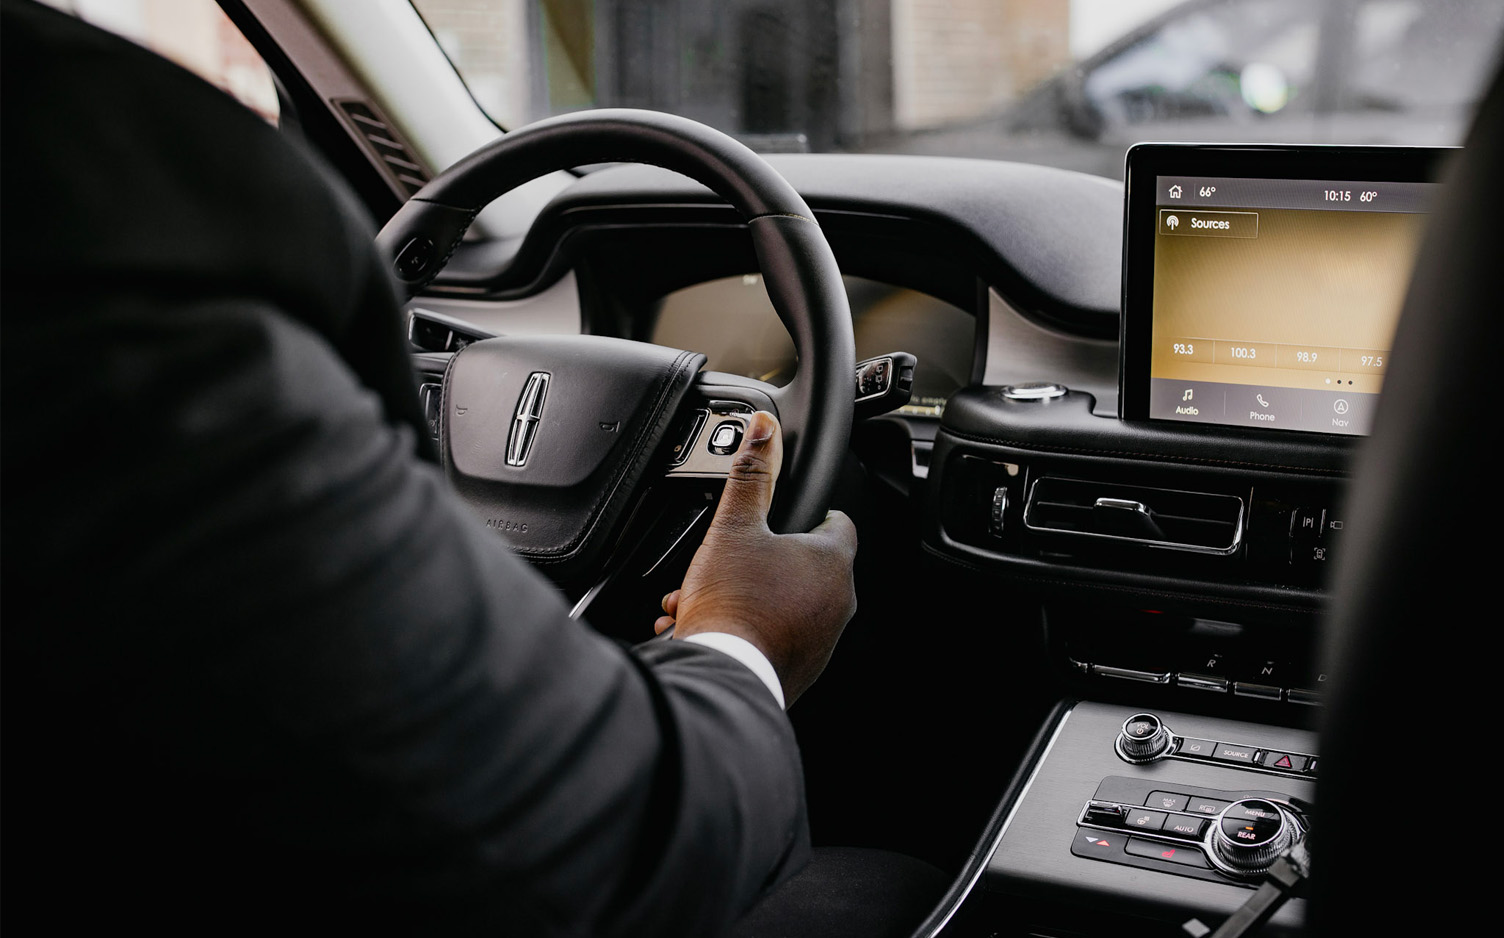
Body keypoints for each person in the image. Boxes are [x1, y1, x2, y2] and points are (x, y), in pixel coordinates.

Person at [0, 2, 925, 934]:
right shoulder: (88, 227)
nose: (249, 80)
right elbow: (600, 851)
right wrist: (743, 638)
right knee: (885, 891)